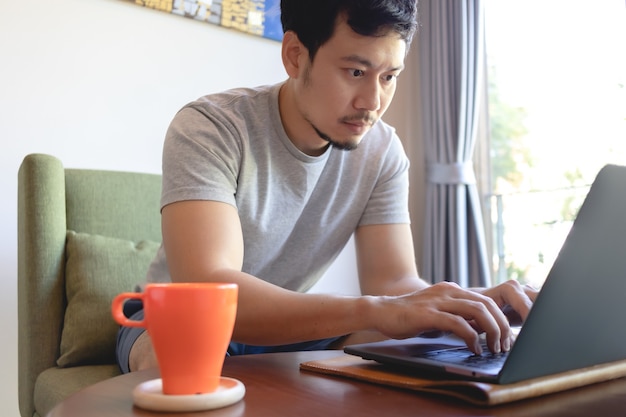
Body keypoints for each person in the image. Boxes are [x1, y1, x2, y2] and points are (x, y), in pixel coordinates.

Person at [116, 0, 537, 374]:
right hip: (177, 319)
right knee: (180, 360)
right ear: (296, 55)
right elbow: (212, 289)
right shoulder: (211, 126)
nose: (372, 101)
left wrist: (476, 304)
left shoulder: (383, 152)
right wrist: (373, 309)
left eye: (389, 76)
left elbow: (393, 285)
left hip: (289, 328)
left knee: (425, 350)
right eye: (356, 71)